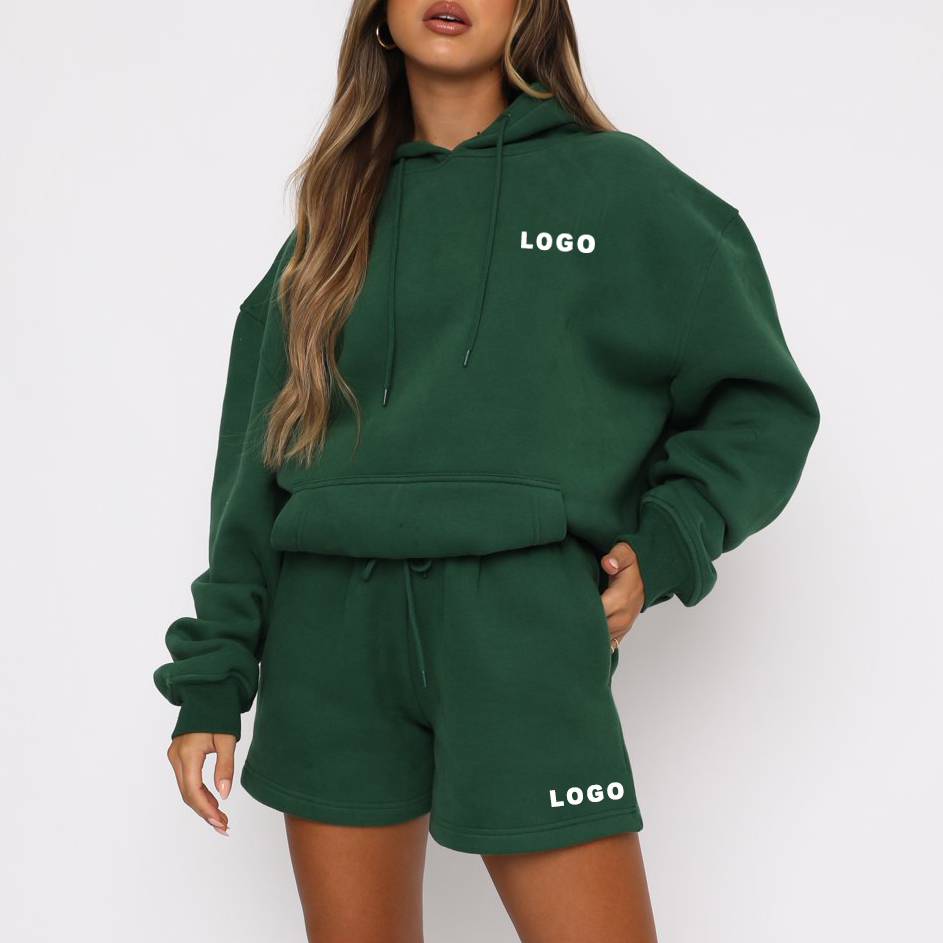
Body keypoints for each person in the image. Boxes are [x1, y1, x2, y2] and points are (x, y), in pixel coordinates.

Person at [153, 1, 820, 940]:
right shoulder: (331, 220)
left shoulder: (619, 188)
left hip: (518, 622)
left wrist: (667, 542)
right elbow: (252, 475)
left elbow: (760, 401)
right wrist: (211, 681)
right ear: (378, 16)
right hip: (328, 635)